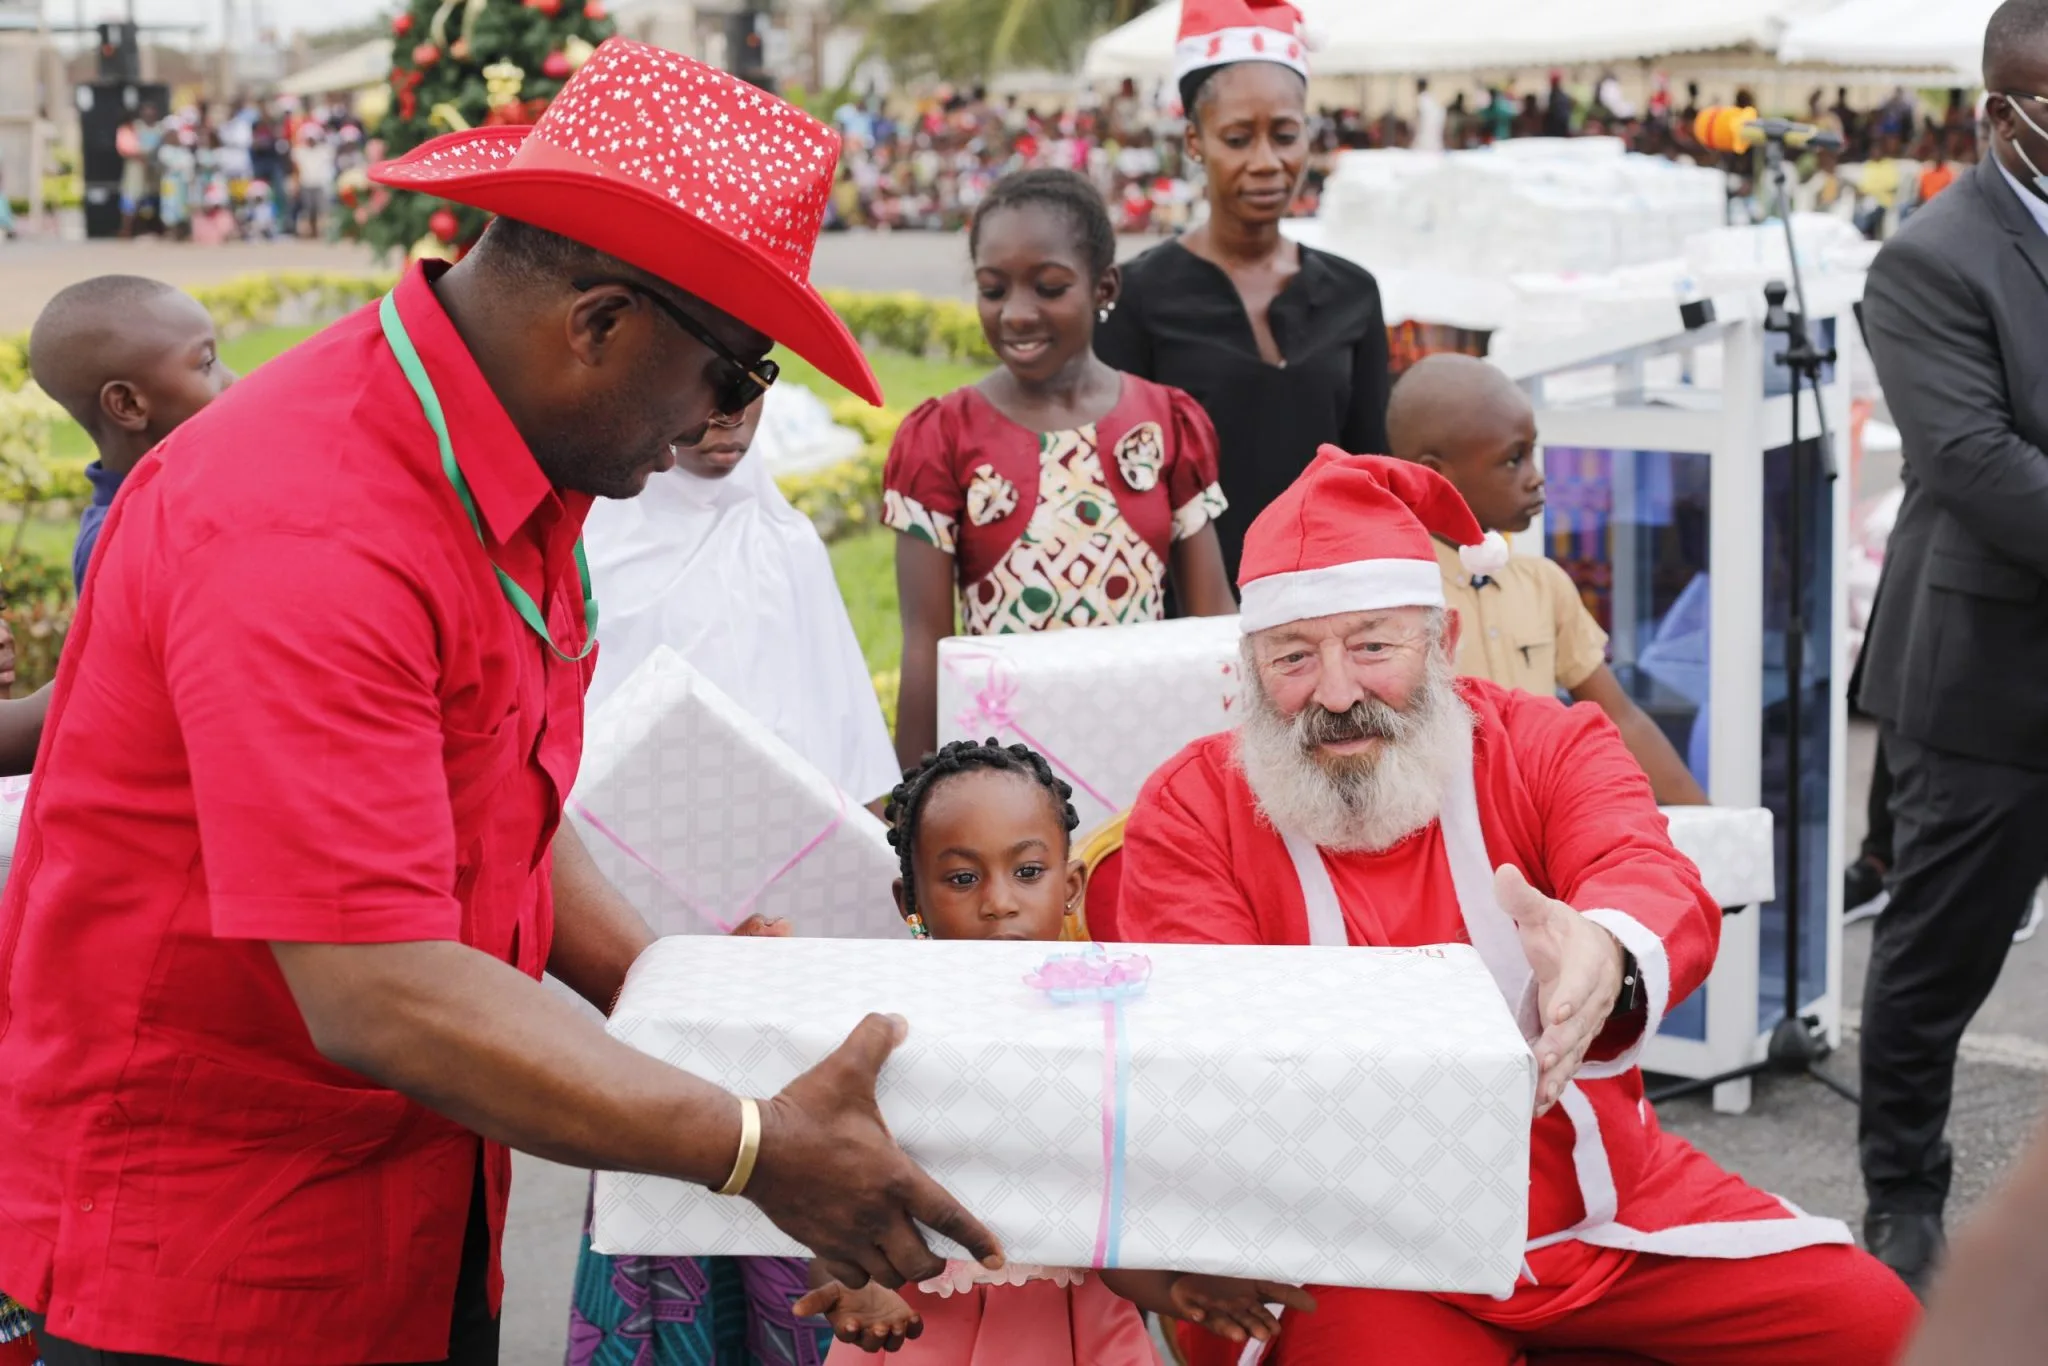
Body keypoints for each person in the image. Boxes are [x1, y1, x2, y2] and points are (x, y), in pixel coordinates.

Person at [0, 41, 1004, 1364]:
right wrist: (755, 1144)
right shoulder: (305, 524)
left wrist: (668, 989)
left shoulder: (521, 472)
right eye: (735, 373)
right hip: (209, 1259)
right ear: (597, 322)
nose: (732, 417)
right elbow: (375, 984)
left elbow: (499, 800)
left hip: (412, 1203)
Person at [1113, 451, 1920, 1365]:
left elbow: (1641, 866)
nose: (1336, 696)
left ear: (1444, 639)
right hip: (1344, 1245)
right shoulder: (1192, 805)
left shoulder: (1545, 743)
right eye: (1294, 657)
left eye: (1374, 646)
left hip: (1596, 1207)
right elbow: (1202, 1053)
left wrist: (1603, 950)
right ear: (1250, 669)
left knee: (1880, 1327)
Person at [796, 740, 1317, 1363]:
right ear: (910, 904)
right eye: (962, 878)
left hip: (1076, 1336)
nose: (999, 902)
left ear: (1070, 887)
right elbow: (826, 1196)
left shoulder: (1104, 1034)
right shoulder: (878, 1041)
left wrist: (1175, 1282)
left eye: (1027, 872)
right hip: (917, 1331)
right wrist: (850, 1287)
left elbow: (1112, 1224)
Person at [566, 399, 901, 1364]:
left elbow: (849, 752)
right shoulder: (587, 549)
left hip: (795, 936)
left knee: (799, 1170)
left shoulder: (784, 540)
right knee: (662, 1162)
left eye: (752, 389)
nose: (728, 418)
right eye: (704, 390)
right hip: (644, 935)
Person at [1851, 0, 2048, 1297]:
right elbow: (1977, 465)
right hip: (1990, 672)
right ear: (2000, 115)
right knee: (1936, 960)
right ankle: (1902, 1193)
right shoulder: (1930, 257)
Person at [887, 168, 1237, 766]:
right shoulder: (944, 436)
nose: (1017, 314)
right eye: (993, 291)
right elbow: (926, 646)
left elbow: (1214, 624)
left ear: (1104, 289)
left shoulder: (1165, 423)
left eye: (1049, 288)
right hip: (1005, 775)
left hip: (1148, 752)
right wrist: (913, 810)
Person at [1097, 0, 1389, 582]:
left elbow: (1373, 473)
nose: (1266, 162)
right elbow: (1121, 490)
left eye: (1285, 135)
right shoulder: (1135, 299)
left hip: (1328, 610)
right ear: (1194, 141)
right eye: (1237, 138)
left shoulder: (1353, 295)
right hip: (1190, 621)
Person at [1388, 355, 1708, 805]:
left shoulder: (1544, 584)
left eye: (1532, 454)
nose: (1536, 477)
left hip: (1541, 828)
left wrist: (1713, 821)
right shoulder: (1393, 596)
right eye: (1513, 460)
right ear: (1436, 475)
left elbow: (1619, 718)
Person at [27, 276, 236, 593]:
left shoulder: (194, 489)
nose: (234, 380)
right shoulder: (119, 547)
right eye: (207, 363)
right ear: (128, 404)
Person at [1413, 77, 1445, 154]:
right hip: (1434, 140)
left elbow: (1418, 122)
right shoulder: (1431, 100)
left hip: (1425, 140)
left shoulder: (1422, 100)